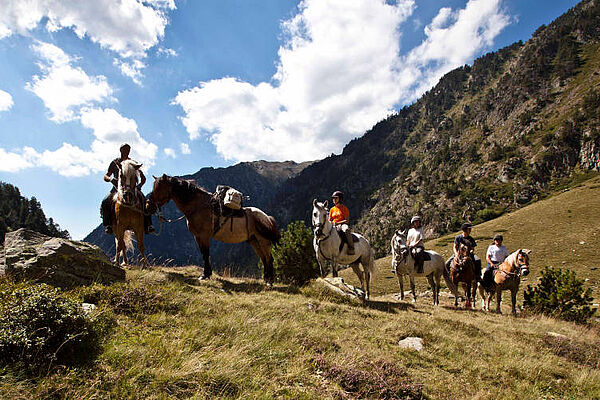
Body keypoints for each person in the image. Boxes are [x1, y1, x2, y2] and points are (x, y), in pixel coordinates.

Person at [100, 143, 155, 235]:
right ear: (120, 150)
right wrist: (110, 179)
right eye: (124, 149)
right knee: (105, 201)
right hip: (117, 188)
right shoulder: (115, 163)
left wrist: (139, 186)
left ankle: (148, 224)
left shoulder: (133, 163)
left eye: (128, 149)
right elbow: (106, 175)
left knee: (143, 200)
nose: (126, 151)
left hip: (132, 188)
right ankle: (108, 224)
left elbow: (143, 178)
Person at [329, 190, 354, 255]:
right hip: (333, 225)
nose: (334, 199)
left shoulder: (344, 208)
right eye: (333, 198)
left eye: (336, 198)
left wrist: (337, 223)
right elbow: (330, 220)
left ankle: (351, 248)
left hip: (342, 225)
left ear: (340, 199)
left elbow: (347, 221)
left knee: (346, 230)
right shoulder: (332, 209)